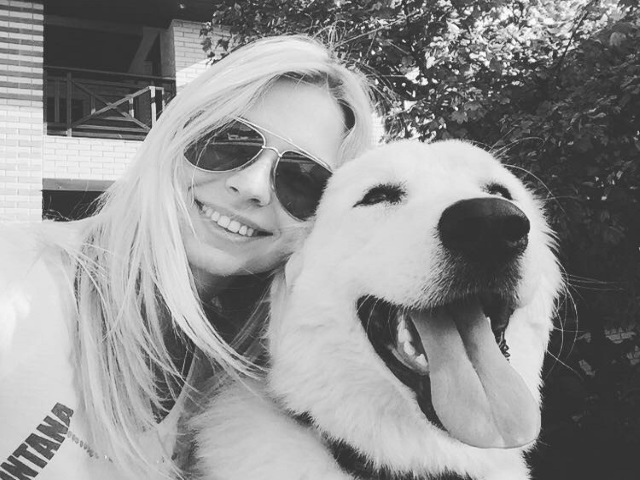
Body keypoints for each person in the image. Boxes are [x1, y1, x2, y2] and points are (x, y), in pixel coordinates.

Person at [0, 35, 375, 479]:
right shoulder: (18, 283)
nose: (253, 186)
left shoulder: (239, 390)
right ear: (178, 132)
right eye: (230, 141)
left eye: (302, 179)